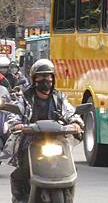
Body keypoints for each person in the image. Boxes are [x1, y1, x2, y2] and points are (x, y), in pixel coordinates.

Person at [5, 59, 84, 203]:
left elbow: (70, 112)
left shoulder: (59, 97)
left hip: (57, 141)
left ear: (53, 78)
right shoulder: (25, 97)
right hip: (31, 140)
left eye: (48, 76)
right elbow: (15, 114)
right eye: (41, 76)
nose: (45, 80)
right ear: (34, 79)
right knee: (20, 174)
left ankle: (68, 193)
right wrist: (17, 124)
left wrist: (75, 123)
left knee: (70, 168)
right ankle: (20, 199)